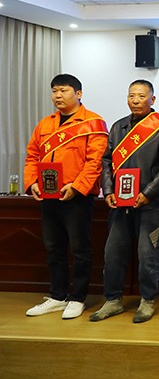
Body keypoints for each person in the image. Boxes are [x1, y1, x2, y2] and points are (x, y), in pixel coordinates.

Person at [90, 80, 159, 324]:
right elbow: (106, 161)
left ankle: (147, 301)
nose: (136, 100)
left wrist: (148, 193)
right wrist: (108, 190)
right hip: (119, 205)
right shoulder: (118, 127)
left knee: (148, 256)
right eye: (131, 96)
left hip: (150, 205)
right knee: (113, 254)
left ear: (152, 99)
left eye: (141, 96)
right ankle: (112, 300)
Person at [23, 74, 108, 319]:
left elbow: (95, 162)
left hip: (77, 197)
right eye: (54, 91)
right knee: (54, 248)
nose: (58, 96)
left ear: (78, 94)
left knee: (80, 249)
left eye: (64, 90)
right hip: (48, 197)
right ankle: (58, 296)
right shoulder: (45, 124)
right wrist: (32, 182)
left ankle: (78, 298)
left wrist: (77, 187)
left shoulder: (93, 122)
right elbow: (32, 156)